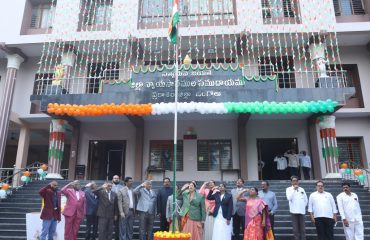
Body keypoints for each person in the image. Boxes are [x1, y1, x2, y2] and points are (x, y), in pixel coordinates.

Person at [286, 175, 308, 240]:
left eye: (296, 181)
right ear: (291, 182)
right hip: (294, 211)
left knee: (303, 229)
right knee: (295, 230)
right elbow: (289, 198)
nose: (295, 182)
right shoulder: (288, 189)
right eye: (293, 181)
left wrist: (303, 206)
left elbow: (306, 200)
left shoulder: (302, 189)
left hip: (301, 211)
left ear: (298, 182)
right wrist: (294, 190)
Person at [112, 175, 124, 240]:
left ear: (119, 179)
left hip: (120, 207)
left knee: (118, 225)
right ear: (112, 179)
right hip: (111, 208)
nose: (116, 179)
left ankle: (117, 238)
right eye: (115, 178)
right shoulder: (109, 186)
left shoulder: (122, 187)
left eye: (117, 178)